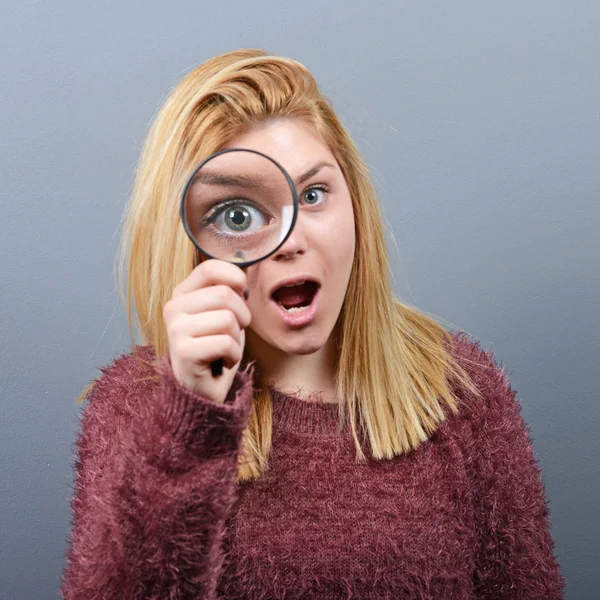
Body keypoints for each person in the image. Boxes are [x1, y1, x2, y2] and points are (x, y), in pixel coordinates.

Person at [59, 49, 566, 599]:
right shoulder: (136, 406)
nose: (293, 241)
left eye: (313, 195)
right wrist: (192, 422)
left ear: (356, 204)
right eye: (237, 215)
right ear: (188, 242)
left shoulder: (462, 390)